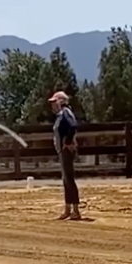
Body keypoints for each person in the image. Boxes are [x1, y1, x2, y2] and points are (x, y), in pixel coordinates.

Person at [49, 91, 81, 220]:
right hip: (63, 151)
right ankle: (68, 209)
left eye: (54, 102)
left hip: (66, 151)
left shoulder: (65, 113)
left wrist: (67, 142)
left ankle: (75, 210)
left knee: (69, 179)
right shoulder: (61, 115)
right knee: (66, 179)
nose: (52, 105)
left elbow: (73, 126)